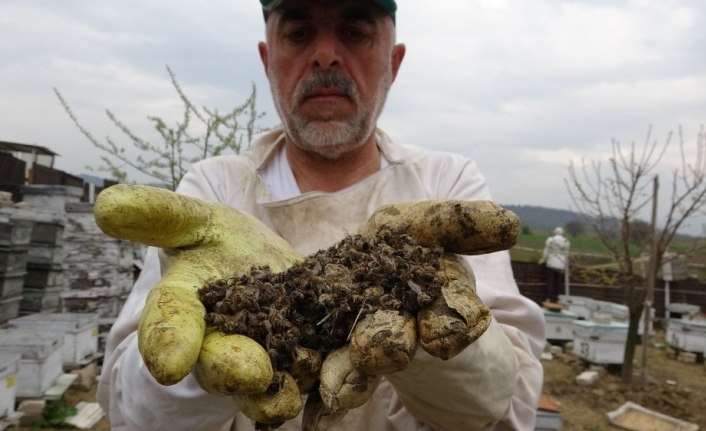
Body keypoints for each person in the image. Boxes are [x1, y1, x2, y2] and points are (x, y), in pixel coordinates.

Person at [96, 1, 545, 430]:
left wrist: (436, 341)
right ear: (267, 58)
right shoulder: (215, 189)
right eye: (299, 32)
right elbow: (129, 409)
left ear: (394, 61)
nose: (326, 56)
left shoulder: (446, 185)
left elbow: (507, 405)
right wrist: (196, 374)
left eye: (354, 33)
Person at [539, 227, 570, 302]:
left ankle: (548, 299)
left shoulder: (550, 240)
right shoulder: (566, 241)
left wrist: (543, 259)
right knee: (560, 283)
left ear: (555, 232)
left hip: (551, 262)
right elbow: (566, 254)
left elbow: (546, 250)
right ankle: (560, 300)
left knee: (550, 281)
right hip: (561, 264)